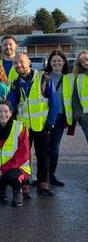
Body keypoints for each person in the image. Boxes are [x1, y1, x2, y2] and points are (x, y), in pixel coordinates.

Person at [8, 53, 59, 196]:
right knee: (23, 157)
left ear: (29, 62)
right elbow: (10, 104)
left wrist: (50, 123)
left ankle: (43, 182)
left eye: (21, 62)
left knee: (43, 156)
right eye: (15, 63)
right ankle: (24, 183)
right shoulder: (15, 83)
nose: (18, 65)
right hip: (23, 128)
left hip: (42, 126)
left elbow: (54, 102)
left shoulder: (43, 78)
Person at [0, 100, 30, 207]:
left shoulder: (20, 127)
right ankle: (2, 192)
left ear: (11, 112)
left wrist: (3, 169)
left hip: (17, 168)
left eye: (6, 111)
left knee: (12, 176)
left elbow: (23, 154)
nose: (3, 114)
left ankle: (18, 192)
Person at [44, 50, 71, 186]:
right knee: (44, 147)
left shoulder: (69, 78)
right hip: (44, 116)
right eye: (53, 61)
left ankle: (51, 175)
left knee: (54, 147)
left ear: (64, 62)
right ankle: (42, 176)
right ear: (50, 63)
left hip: (60, 117)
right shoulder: (44, 76)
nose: (56, 63)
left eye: (59, 60)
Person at [71, 49, 88, 144]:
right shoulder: (79, 78)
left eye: (86, 59)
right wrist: (79, 115)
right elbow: (75, 99)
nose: (85, 62)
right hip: (86, 120)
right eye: (82, 61)